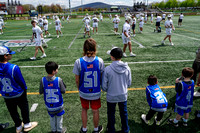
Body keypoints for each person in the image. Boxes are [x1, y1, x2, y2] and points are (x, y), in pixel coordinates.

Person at [0, 46, 38, 133]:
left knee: (12, 111)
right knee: (24, 107)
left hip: (6, 94)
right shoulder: (13, 67)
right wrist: (25, 88)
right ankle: (27, 123)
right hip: (18, 93)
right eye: (9, 54)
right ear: (5, 56)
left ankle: (18, 125)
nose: (11, 55)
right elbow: (21, 81)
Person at [73, 38, 104, 133]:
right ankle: (95, 129)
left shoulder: (78, 61)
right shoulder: (100, 61)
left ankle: (84, 129)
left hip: (84, 91)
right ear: (95, 48)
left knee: (84, 110)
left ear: (84, 49)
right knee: (95, 111)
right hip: (95, 91)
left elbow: (77, 80)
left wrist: (79, 89)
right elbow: (101, 77)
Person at [102, 47, 131, 133]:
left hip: (111, 95)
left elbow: (104, 85)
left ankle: (111, 129)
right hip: (123, 94)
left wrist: (108, 90)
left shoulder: (107, 69)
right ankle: (125, 129)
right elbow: (129, 83)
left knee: (111, 113)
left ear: (112, 57)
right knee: (124, 113)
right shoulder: (127, 68)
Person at [39, 61, 67, 133]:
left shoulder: (42, 80)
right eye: (56, 69)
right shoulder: (59, 80)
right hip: (58, 105)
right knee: (59, 118)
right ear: (54, 71)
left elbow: (40, 91)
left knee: (52, 118)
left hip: (49, 105)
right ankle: (60, 130)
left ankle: (53, 130)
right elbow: (63, 91)